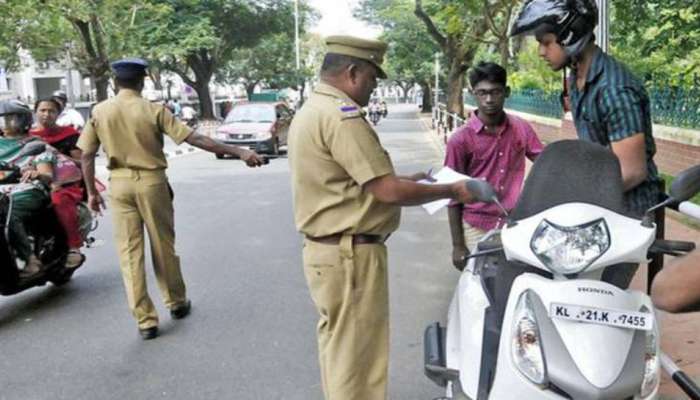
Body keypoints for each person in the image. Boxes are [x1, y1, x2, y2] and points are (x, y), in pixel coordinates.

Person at [288, 35, 477, 400]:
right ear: (353, 72)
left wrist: (413, 180)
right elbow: (386, 192)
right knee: (358, 362)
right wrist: (452, 190)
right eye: (373, 78)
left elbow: (353, 181)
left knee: (341, 355)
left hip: (329, 253)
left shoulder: (313, 110)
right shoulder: (342, 117)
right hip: (350, 256)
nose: (374, 88)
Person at [78, 58, 267, 340]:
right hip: (152, 183)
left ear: (116, 82)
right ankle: (176, 302)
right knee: (163, 246)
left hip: (118, 185)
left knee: (130, 254)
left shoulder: (99, 111)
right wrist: (240, 152)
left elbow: (86, 154)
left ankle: (145, 321)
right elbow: (196, 139)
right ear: (142, 81)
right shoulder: (153, 110)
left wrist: (92, 193)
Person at [510, 0, 663, 289]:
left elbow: (632, 171)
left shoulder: (614, 89)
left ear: (569, 36)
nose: (541, 51)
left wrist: (571, 197)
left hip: (625, 211)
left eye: (546, 42)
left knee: (596, 295)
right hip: (598, 201)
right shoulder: (578, 76)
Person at [446, 62, 543, 270]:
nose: (489, 99)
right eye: (482, 93)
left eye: (495, 92)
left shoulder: (521, 129)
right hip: (476, 227)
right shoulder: (460, 140)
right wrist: (457, 245)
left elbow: (545, 163)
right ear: (474, 94)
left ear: (506, 92)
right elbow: (452, 195)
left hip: (516, 225)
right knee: (481, 291)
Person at [0, 100, 58, 276]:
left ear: (24, 120)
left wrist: (37, 174)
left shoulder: (35, 143)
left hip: (28, 188)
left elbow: (46, 174)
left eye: (12, 118)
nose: (6, 123)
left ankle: (30, 260)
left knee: (7, 211)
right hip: (2, 189)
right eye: (3, 119)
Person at [31, 98, 86, 268]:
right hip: (33, 182)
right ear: (35, 112)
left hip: (65, 183)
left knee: (59, 199)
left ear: (58, 114)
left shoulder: (69, 135)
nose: (46, 114)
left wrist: (57, 154)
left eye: (51, 111)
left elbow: (82, 164)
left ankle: (73, 247)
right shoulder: (28, 137)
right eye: (42, 110)